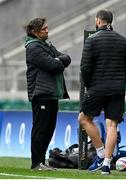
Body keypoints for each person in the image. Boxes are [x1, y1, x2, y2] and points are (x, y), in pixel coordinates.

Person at [78, 9, 126, 175]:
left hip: (97, 88)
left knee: (83, 119)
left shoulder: (91, 41)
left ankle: (101, 153)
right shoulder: (124, 41)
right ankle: (106, 164)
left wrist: (90, 85)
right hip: (117, 89)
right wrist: (120, 81)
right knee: (112, 124)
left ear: (98, 21)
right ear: (111, 21)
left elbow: (85, 68)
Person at [24, 17, 71, 170]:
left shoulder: (47, 45)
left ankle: (42, 162)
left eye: (47, 27)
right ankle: (36, 163)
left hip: (52, 94)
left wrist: (58, 60)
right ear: (34, 31)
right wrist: (58, 60)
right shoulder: (33, 48)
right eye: (43, 29)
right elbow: (52, 65)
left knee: (49, 129)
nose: (47, 30)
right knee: (40, 129)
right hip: (41, 94)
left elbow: (66, 58)